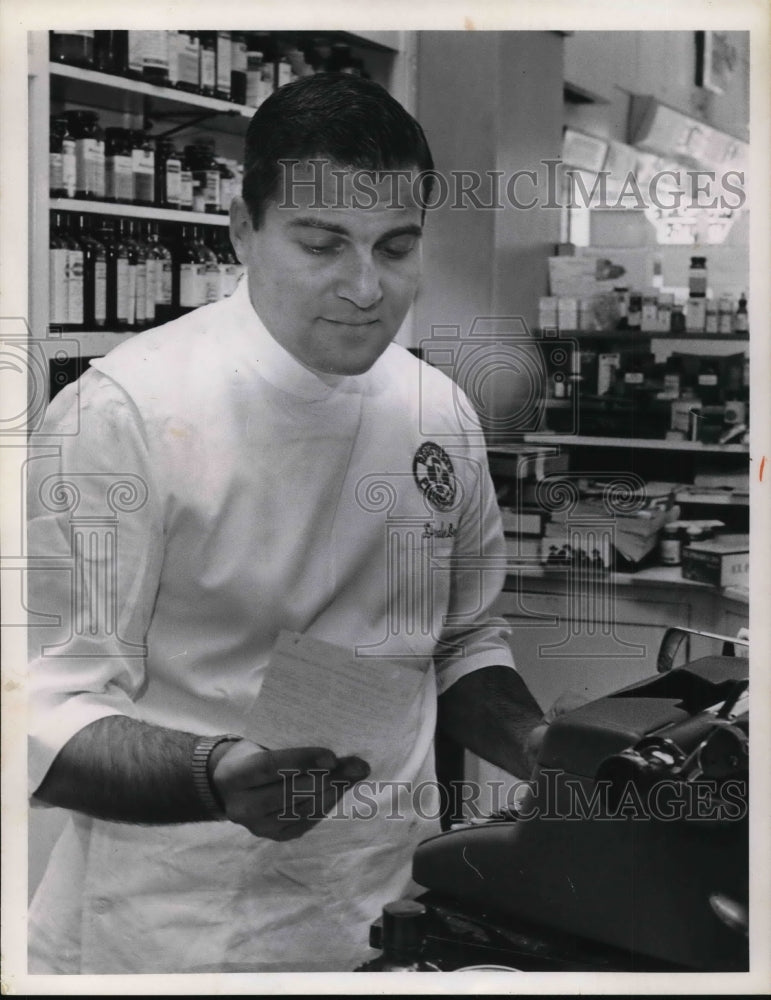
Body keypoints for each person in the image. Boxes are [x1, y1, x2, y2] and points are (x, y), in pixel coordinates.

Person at [27, 73, 548, 974]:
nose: (364, 286)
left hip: (383, 899)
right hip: (178, 924)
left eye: (395, 247)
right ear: (242, 230)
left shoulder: (437, 411)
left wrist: (549, 753)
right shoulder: (124, 413)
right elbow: (40, 708)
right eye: (322, 244)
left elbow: (465, 639)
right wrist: (216, 773)